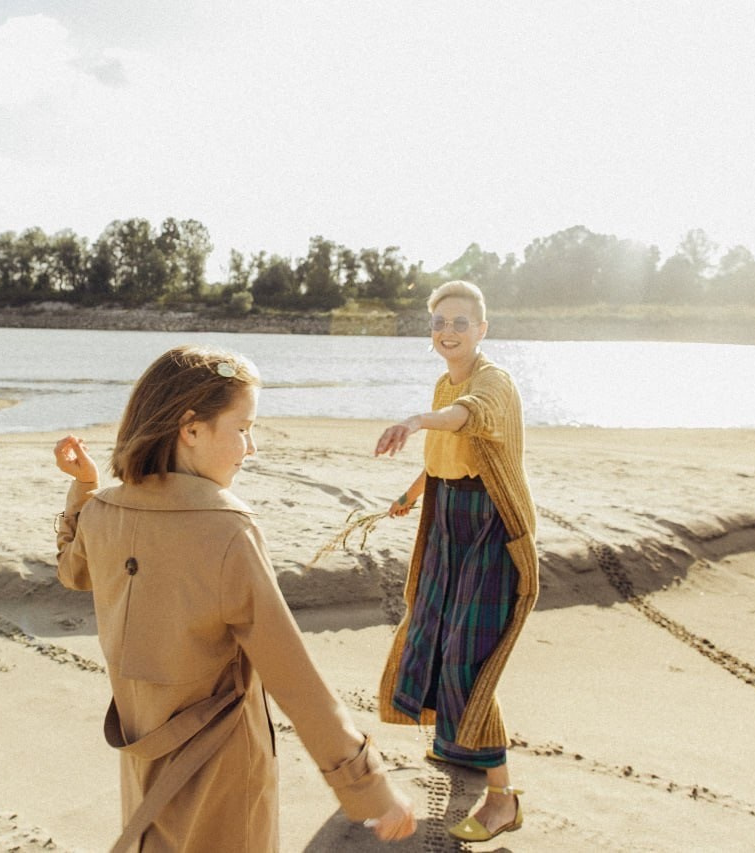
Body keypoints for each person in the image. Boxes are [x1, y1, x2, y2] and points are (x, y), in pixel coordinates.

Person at [54, 344, 415, 851]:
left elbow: (73, 570)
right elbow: (292, 676)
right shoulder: (227, 530)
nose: (252, 448)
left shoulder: (102, 512)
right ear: (192, 429)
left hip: (143, 763)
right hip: (222, 771)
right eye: (243, 428)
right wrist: (368, 787)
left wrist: (86, 488)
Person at [373, 281, 539, 843]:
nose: (447, 332)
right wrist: (412, 493)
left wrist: (417, 419)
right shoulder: (445, 379)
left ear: (482, 329)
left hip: (490, 527)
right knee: (434, 633)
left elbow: (469, 418)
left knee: (468, 653)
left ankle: (503, 798)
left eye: (460, 323)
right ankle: (459, 748)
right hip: (448, 522)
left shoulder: (494, 382)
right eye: (439, 322)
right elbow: (451, 447)